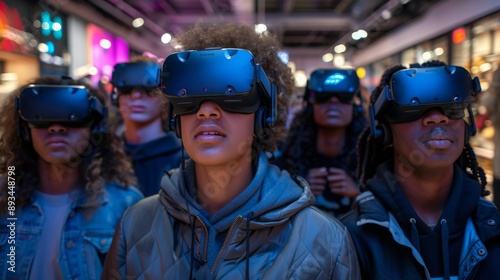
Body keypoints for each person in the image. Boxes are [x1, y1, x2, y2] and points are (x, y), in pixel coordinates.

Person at [102, 23, 360, 279]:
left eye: (232, 92)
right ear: (174, 114)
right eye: (189, 94)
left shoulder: (325, 240)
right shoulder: (136, 225)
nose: (206, 111)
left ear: (265, 113)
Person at [341, 61, 500, 279]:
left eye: (452, 107)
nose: (437, 117)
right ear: (383, 130)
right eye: (412, 107)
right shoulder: (351, 237)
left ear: (467, 124)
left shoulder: (494, 229)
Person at [0, 76, 143, 279]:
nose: (56, 128)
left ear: (95, 128)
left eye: (73, 115)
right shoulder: (4, 200)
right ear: (24, 128)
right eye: (41, 115)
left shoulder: (125, 205)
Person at [274, 68, 366, 217]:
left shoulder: (371, 159)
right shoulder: (283, 155)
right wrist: (298, 190)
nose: (333, 101)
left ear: (355, 105)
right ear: (310, 103)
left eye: (344, 96)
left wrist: (358, 193)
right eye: (323, 96)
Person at [110, 56, 183, 197]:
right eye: (127, 89)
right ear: (116, 96)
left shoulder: (183, 158)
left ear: (164, 96)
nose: (136, 95)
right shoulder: (106, 156)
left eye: (148, 89)